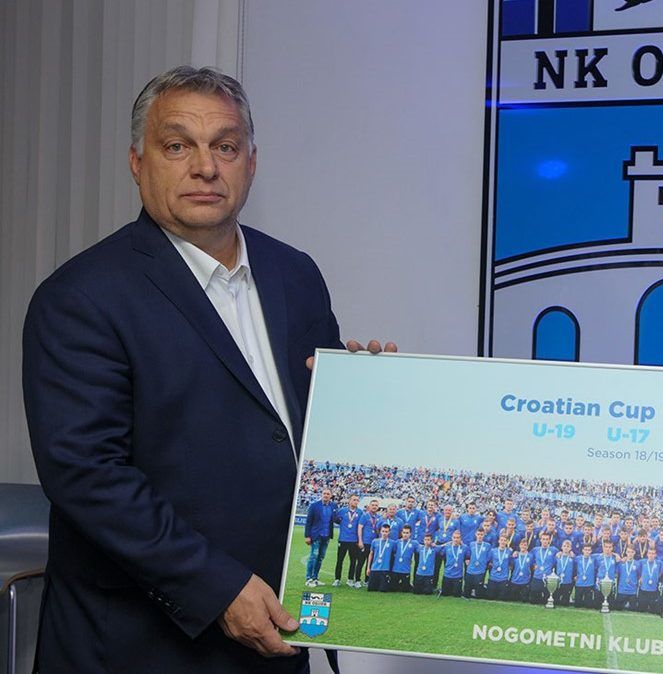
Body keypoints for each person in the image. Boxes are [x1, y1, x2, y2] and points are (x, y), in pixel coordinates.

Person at [23, 65, 394, 672]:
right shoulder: (82, 297)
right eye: (178, 146)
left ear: (252, 162)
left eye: (225, 146)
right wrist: (219, 588)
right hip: (142, 645)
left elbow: (298, 439)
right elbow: (87, 475)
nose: (205, 167)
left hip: (276, 630)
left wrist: (363, 400)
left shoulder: (295, 274)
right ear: (137, 162)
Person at [304, 489, 336, 587]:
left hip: (326, 536)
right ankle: (309, 578)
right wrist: (307, 536)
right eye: (324, 493)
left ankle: (315, 578)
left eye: (328, 494)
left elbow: (335, 519)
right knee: (313, 556)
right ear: (322, 494)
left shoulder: (333, 506)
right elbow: (309, 521)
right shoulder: (314, 506)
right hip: (316, 535)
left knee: (321, 557)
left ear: (331, 496)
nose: (326, 495)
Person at [332, 494, 362, 588]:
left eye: (357, 500)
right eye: (354, 499)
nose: (355, 501)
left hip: (354, 540)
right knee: (340, 560)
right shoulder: (342, 511)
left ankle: (350, 579)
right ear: (349, 501)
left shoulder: (360, 512)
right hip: (343, 539)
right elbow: (335, 519)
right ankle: (337, 579)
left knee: (353, 561)